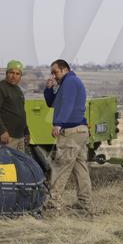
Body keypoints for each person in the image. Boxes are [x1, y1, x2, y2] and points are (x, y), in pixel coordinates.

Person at [43, 59, 91, 212]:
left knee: (61, 166)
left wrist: (59, 123)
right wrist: (49, 89)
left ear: (65, 70)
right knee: (80, 167)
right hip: (80, 131)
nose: (53, 75)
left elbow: (68, 104)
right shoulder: (67, 83)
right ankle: (85, 203)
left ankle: (53, 203)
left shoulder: (70, 82)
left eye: (55, 72)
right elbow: (52, 103)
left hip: (71, 132)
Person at [0, 60, 29, 151]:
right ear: (6, 73)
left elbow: (21, 112)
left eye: (18, 74)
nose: (14, 76)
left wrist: (26, 132)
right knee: (2, 164)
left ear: (21, 76)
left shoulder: (18, 90)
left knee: (19, 164)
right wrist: (2, 131)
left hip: (19, 137)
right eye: (11, 73)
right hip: (5, 137)